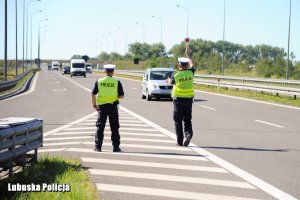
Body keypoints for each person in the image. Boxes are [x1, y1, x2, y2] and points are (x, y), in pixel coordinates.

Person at [92, 64, 124, 152]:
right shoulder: (117, 82)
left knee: (100, 127)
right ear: (113, 72)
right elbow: (122, 96)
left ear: (104, 71)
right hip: (113, 107)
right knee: (114, 128)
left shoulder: (99, 81)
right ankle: (116, 147)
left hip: (101, 108)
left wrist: (94, 105)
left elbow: (93, 94)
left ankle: (98, 147)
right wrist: (113, 97)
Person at [167, 46, 195, 147]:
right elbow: (192, 64)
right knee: (187, 119)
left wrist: (168, 80)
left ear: (179, 65)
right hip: (188, 100)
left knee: (178, 121)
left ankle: (179, 141)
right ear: (186, 65)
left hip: (178, 101)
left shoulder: (176, 75)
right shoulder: (191, 72)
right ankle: (188, 134)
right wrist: (188, 54)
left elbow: (171, 82)